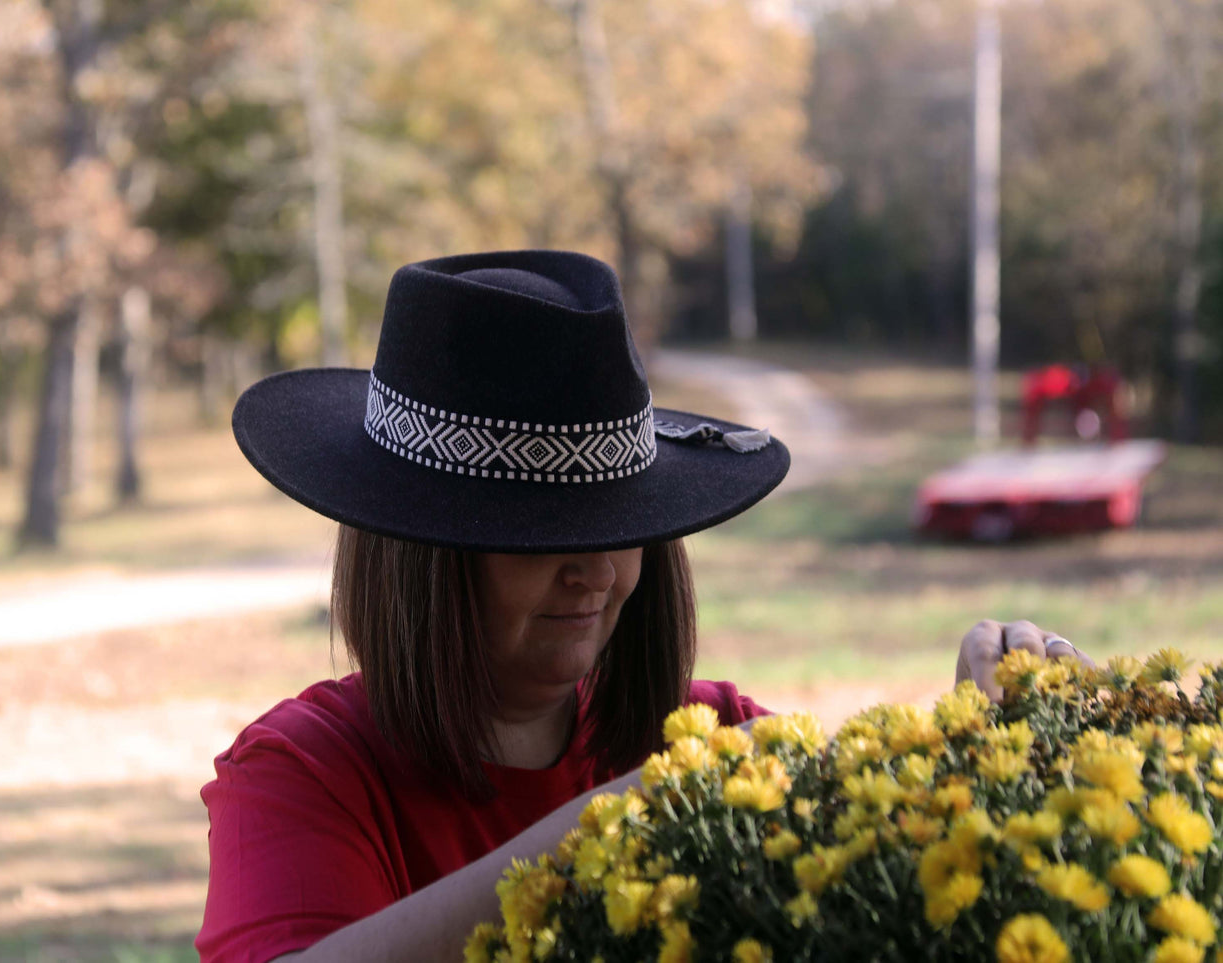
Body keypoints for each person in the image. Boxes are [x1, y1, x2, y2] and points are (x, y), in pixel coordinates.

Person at [196, 250, 1090, 962]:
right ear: (418, 552)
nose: (592, 569)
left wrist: (976, 765)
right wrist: (607, 830)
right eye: (539, 531)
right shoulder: (304, 773)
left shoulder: (719, 740)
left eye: (616, 521)